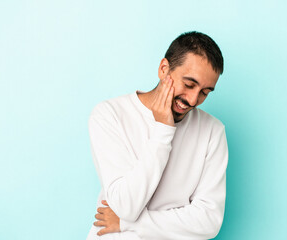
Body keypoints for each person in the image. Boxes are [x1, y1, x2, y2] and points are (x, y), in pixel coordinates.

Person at [86, 31, 229, 240]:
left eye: (205, 92)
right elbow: (126, 205)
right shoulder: (109, 115)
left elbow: (208, 220)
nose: (193, 99)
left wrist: (126, 224)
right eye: (189, 84)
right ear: (164, 69)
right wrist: (163, 131)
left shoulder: (213, 132)